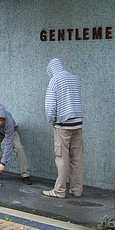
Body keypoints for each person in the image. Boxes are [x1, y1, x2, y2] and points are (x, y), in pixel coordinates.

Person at [43, 58, 84, 198]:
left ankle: (59, 190)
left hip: (63, 124)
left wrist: (52, 121)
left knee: (61, 158)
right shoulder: (75, 78)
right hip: (78, 123)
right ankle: (77, 189)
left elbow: (50, 105)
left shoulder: (55, 80)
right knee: (77, 157)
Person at [0, 104, 32, 185]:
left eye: (2, 120)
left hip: (11, 131)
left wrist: (3, 163)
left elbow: (8, 144)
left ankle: (25, 175)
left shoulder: (8, 122)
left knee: (19, 148)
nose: (0, 122)